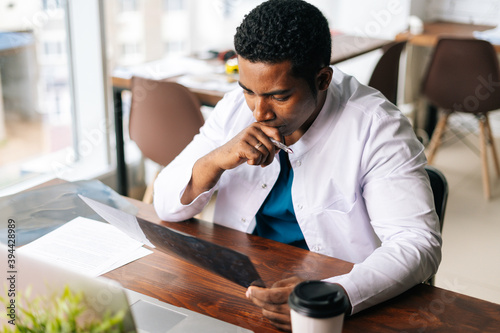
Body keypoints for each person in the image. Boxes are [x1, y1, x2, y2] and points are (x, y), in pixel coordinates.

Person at [153, 0, 442, 331]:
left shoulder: (377, 127)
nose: (258, 112)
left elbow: (417, 243)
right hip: (240, 289)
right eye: (248, 90)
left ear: (322, 79)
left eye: (278, 96)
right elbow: (164, 204)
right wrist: (216, 160)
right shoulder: (235, 107)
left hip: (333, 302)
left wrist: (334, 297)